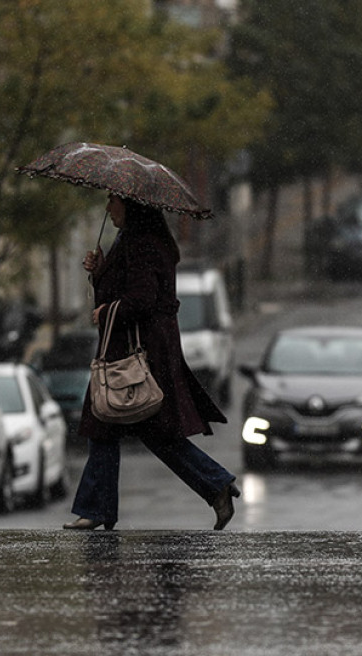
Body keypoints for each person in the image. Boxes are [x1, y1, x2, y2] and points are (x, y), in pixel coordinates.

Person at [65, 194, 239, 531]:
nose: (108, 209)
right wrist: (100, 273)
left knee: (124, 425)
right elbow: (127, 290)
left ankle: (98, 508)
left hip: (139, 353)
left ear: (133, 207)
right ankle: (214, 484)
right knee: (118, 427)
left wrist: (107, 310)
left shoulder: (143, 244)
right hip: (139, 349)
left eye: (113, 202)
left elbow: (142, 299)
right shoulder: (134, 240)